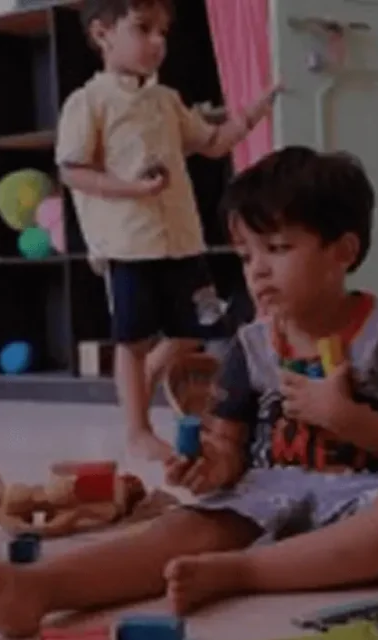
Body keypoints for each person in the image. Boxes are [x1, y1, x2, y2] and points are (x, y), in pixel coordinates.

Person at [0, 146, 378, 638]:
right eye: (247, 254)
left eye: (277, 249)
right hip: (267, 488)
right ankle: (41, 589)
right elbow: (228, 444)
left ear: (343, 251)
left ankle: (243, 572)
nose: (258, 269)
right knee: (176, 531)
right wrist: (211, 466)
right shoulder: (251, 345)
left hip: (364, 493)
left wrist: (345, 416)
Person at [55, 0, 280, 461]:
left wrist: (252, 113)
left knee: (203, 325)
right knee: (132, 339)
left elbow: (212, 143)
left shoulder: (166, 100)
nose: (158, 41)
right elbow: (72, 170)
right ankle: (137, 430)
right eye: (143, 29)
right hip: (128, 245)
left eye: (163, 31)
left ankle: (150, 372)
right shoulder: (89, 102)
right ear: (102, 34)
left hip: (181, 240)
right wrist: (129, 188)